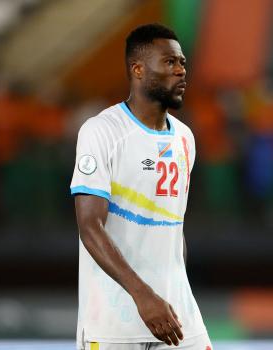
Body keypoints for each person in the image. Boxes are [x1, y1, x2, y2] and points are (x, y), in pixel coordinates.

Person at [70, 23, 212, 350]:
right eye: (170, 63)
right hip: (113, 324)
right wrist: (144, 296)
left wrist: (174, 290)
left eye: (183, 63)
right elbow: (90, 226)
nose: (181, 71)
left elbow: (174, 230)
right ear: (138, 69)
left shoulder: (185, 138)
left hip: (176, 316)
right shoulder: (101, 131)